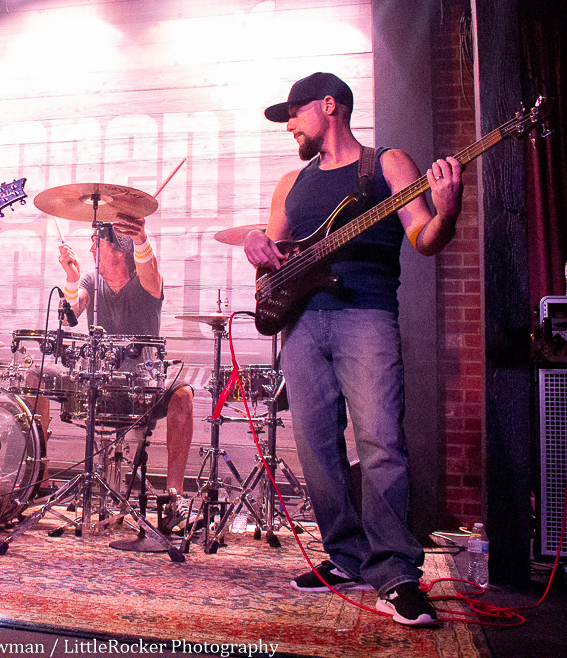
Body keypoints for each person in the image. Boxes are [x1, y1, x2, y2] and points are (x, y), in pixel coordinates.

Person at [243, 72, 463, 628]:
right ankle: (345, 557)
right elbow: (274, 259)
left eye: (294, 114)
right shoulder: (291, 182)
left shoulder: (386, 164)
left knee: (381, 444)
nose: (289, 126)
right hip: (300, 324)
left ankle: (395, 573)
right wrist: (256, 245)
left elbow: (424, 238)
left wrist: (447, 211)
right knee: (317, 449)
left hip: (365, 315)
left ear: (329, 105)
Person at [35, 212, 195, 533]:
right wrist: (71, 278)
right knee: (35, 377)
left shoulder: (146, 284)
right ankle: (38, 478)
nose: (90, 250)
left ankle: (174, 496)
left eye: (97, 244)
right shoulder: (91, 281)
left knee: (183, 394)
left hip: (142, 389)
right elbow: (69, 317)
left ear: (120, 253)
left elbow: (150, 268)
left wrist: (141, 239)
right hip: (97, 384)